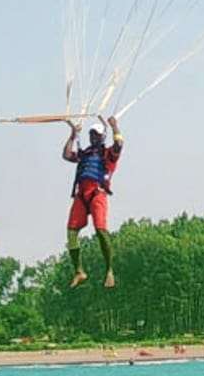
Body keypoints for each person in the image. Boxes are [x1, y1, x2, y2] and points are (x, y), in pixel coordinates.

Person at [62, 115, 123, 287]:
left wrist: (114, 127)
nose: (92, 137)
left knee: (100, 230)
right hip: (81, 195)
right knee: (71, 231)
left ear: (102, 137)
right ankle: (79, 271)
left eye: (96, 135)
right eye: (91, 134)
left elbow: (119, 145)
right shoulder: (85, 154)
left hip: (98, 193)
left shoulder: (108, 154)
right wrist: (73, 135)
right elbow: (66, 155)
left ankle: (109, 270)